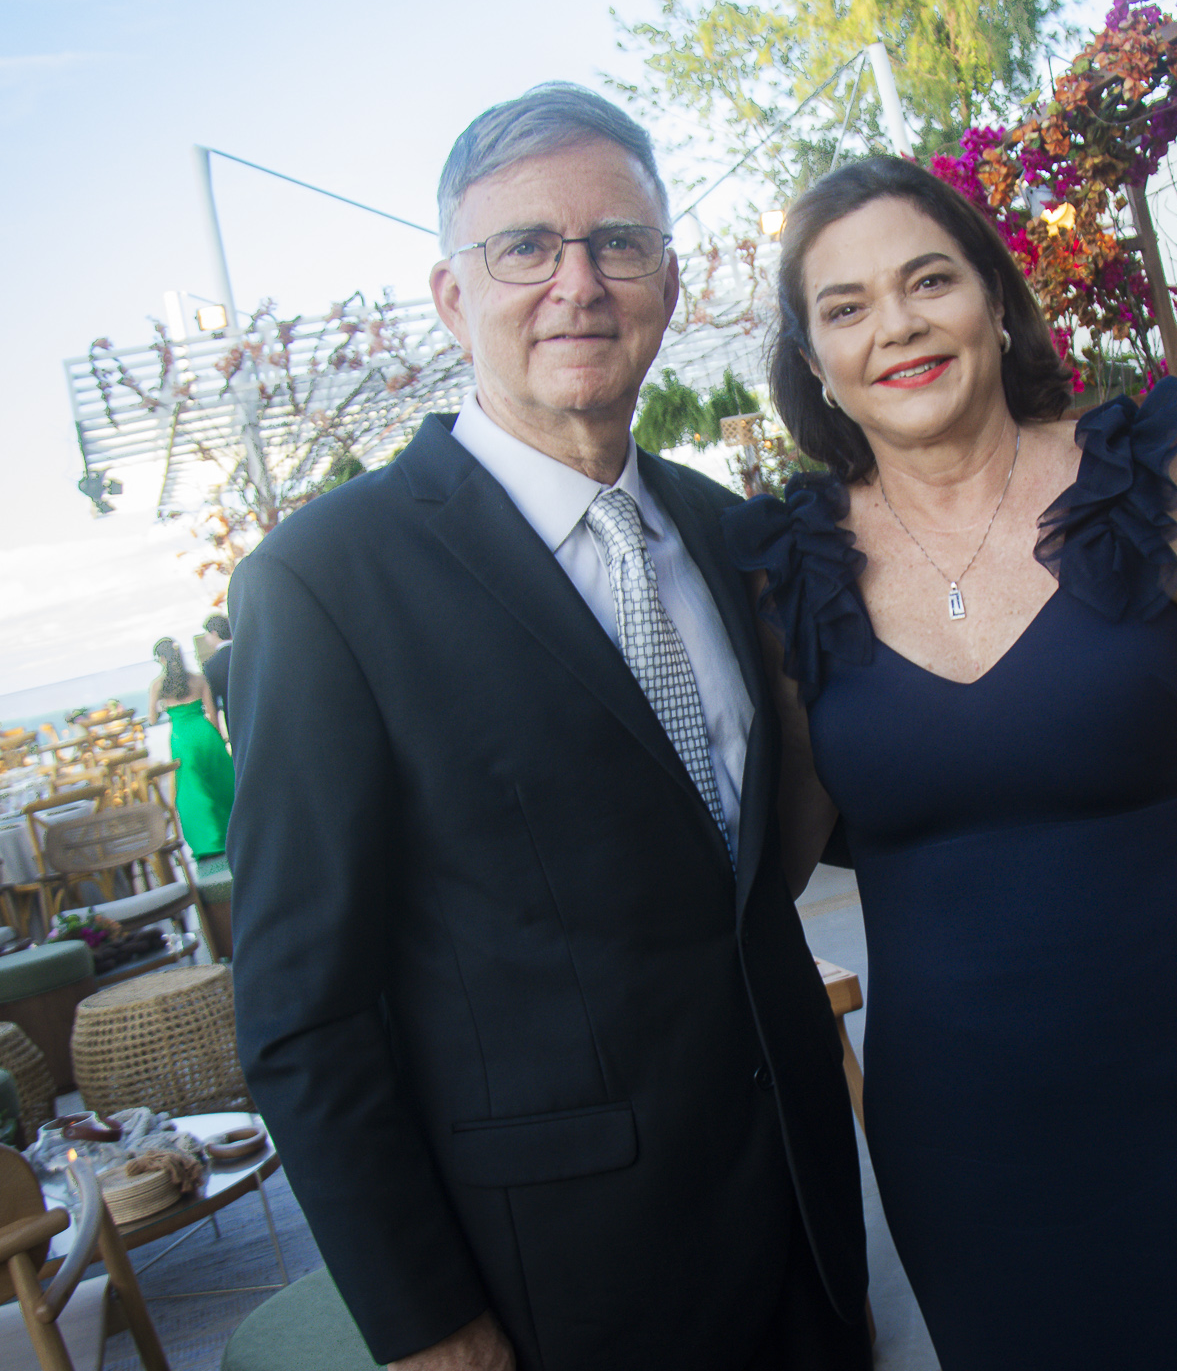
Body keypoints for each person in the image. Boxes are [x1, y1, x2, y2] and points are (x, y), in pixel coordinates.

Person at [723, 157, 1177, 1369]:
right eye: (846, 307)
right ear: (815, 359)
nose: (897, 326)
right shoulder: (794, 575)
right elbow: (762, 864)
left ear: (994, 299)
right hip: (968, 1157)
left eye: (929, 280)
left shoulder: (1157, 482)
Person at [227, 83, 867, 1371]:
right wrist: (424, 1322)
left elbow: (758, 861)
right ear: (452, 295)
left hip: (804, 1219)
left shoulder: (727, 532)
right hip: (561, 1283)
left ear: (668, 283)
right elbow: (303, 1010)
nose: (578, 283)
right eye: (525, 246)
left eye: (617, 242)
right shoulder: (327, 582)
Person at [146, 638, 231, 862]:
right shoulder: (199, 679)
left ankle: (209, 842)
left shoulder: (158, 685)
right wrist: (218, 740)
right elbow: (212, 714)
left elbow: (152, 719)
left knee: (193, 790)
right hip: (205, 734)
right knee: (221, 783)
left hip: (182, 738)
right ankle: (232, 833)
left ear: (161, 659)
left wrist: (164, 707)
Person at [198, 613, 235, 748]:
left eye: (207, 634)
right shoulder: (248, 653)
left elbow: (212, 703)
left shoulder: (211, 665)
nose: (206, 639)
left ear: (214, 633)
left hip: (234, 717)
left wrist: (218, 734)